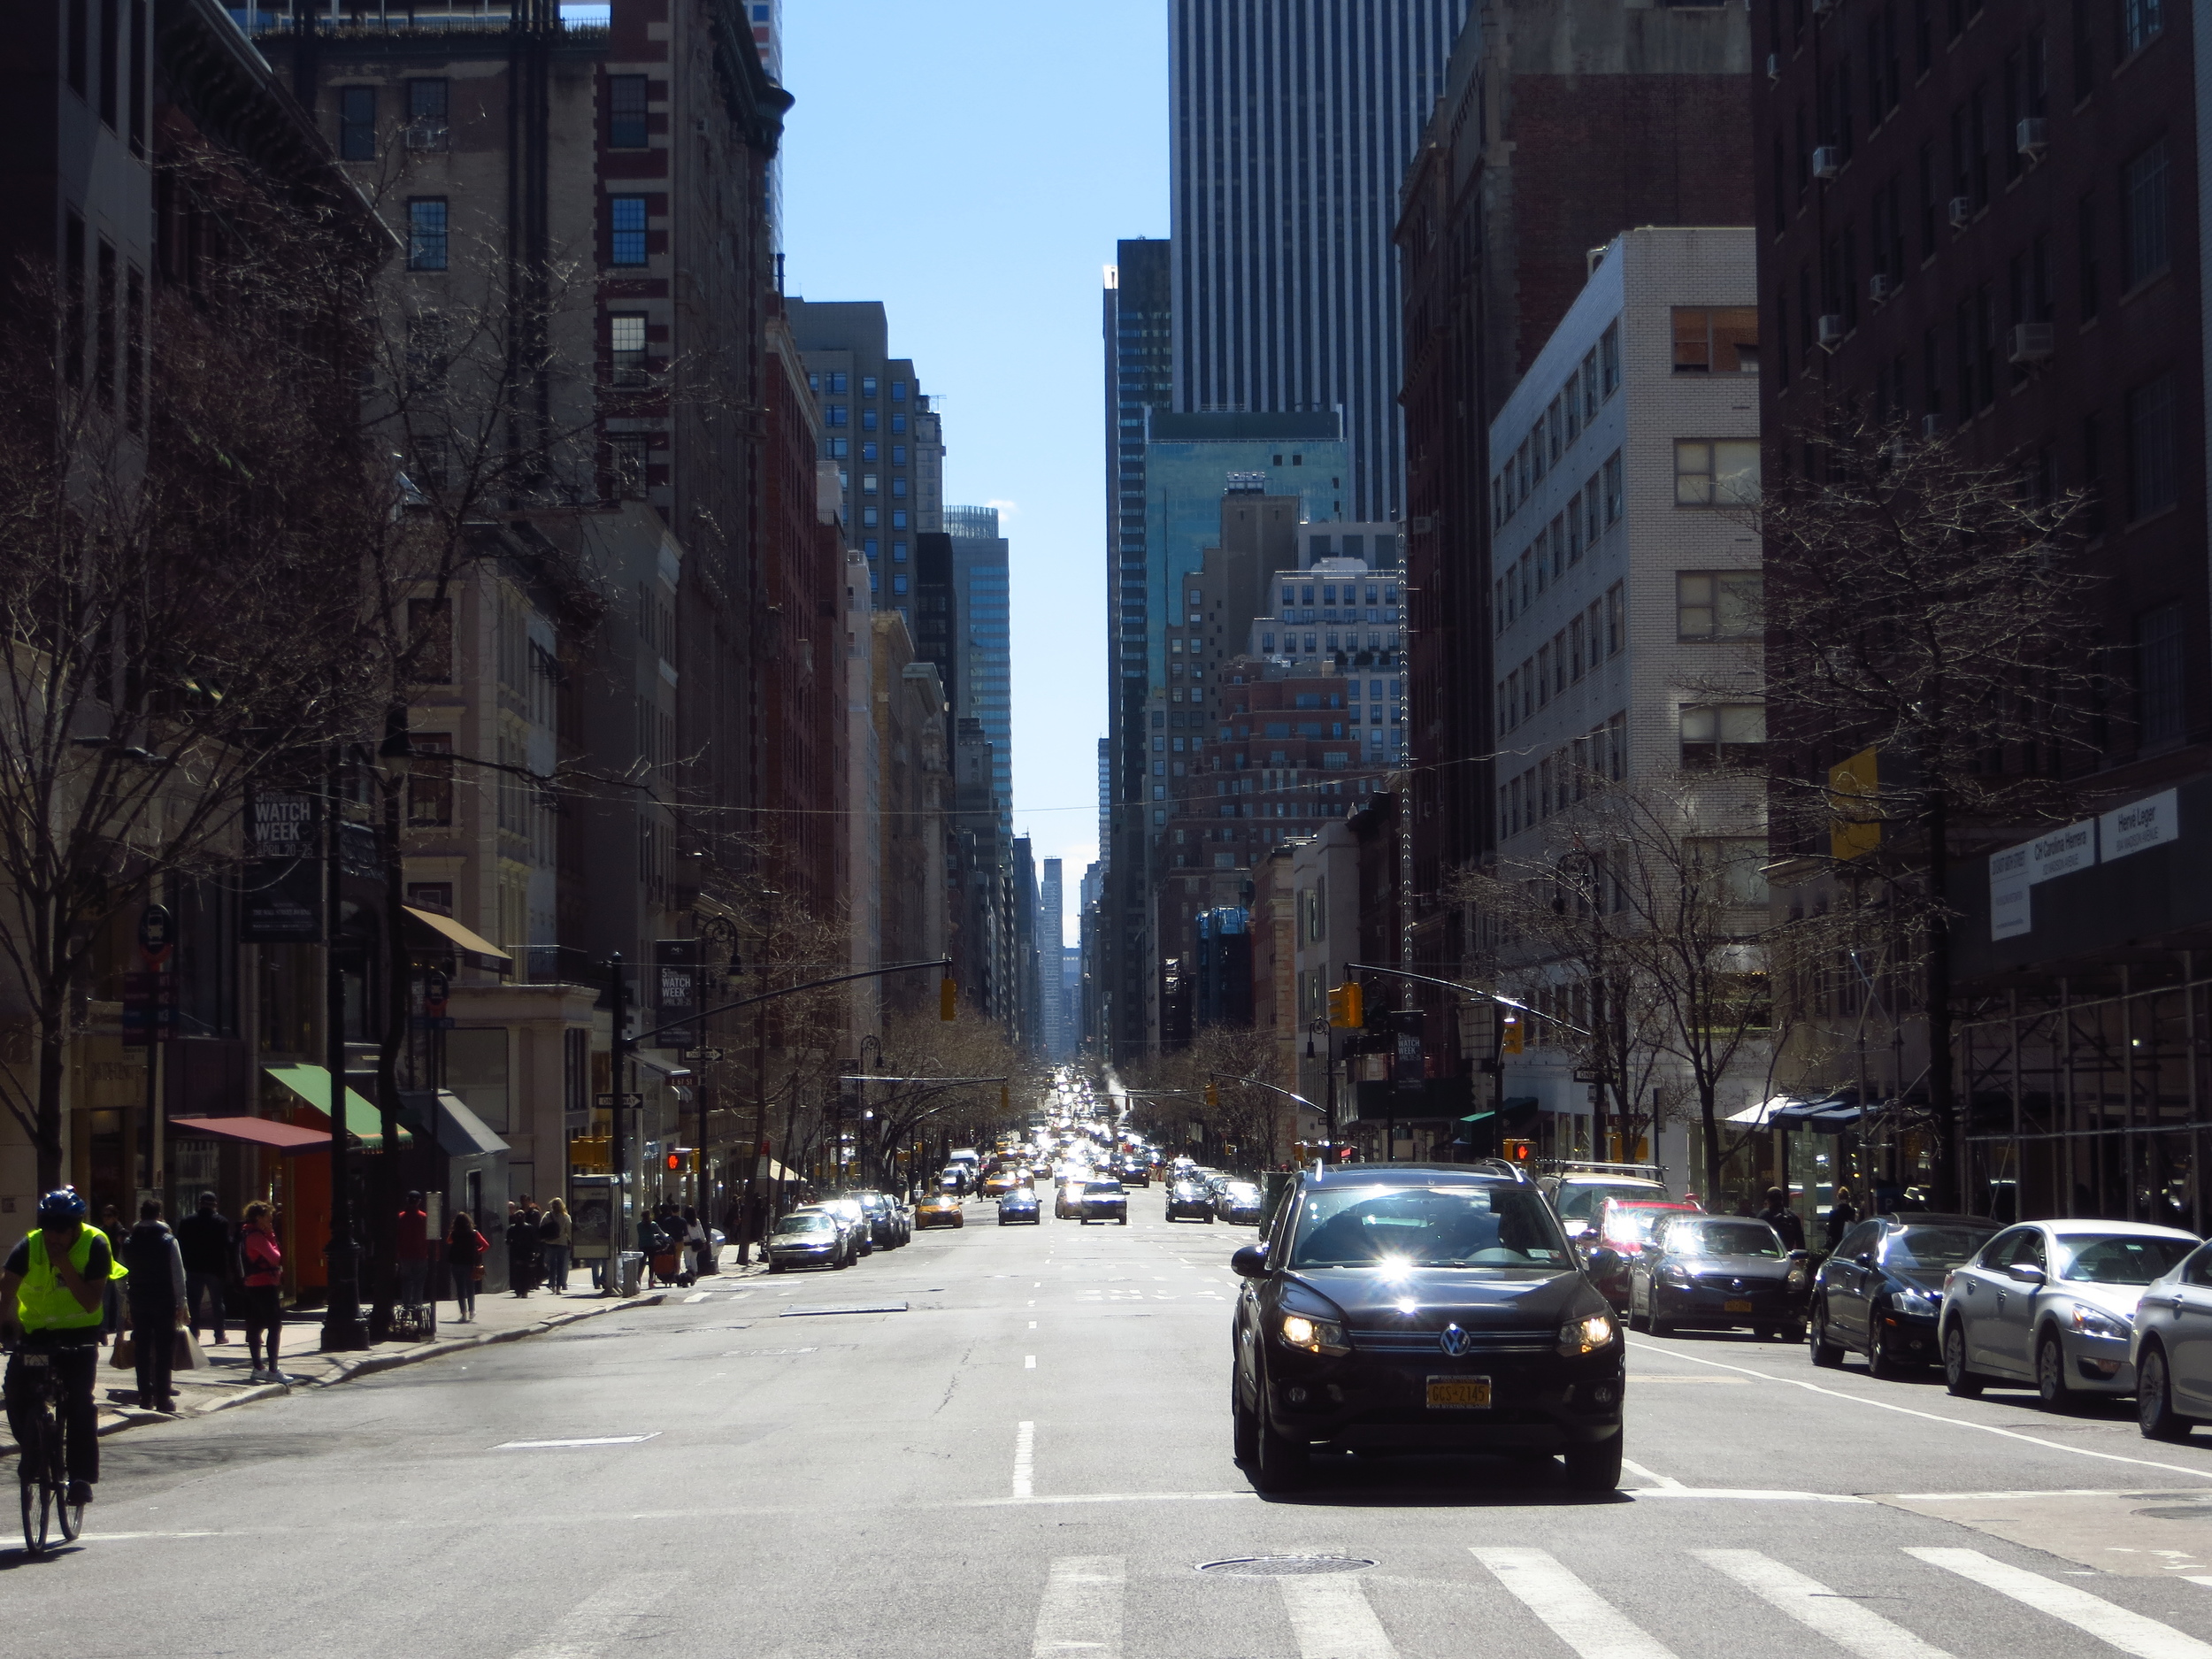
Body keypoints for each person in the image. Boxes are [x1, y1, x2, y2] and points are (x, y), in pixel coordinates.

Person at [1, 1189, 127, 1505]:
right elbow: (6, 1291)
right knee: (15, 1390)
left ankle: (81, 1477)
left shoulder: (95, 1244)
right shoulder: (29, 1246)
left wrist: (64, 1264)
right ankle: (34, 1451)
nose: (54, 1236)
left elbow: (89, 1302)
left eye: (62, 1229)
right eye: (49, 1228)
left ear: (76, 1227)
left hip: (79, 1337)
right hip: (38, 1336)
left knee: (80, 1403)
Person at [119, 1198, 189, 1412]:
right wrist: (182, 1302)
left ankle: (145, 1396)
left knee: (141, 1347)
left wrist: (125, 1297)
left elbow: (120, 1273)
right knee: (163, 1349)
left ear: (141, 1215)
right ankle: (163, 1397)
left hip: (139, 1299)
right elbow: (178, 1274)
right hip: (163, 1298)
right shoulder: (168, 1240)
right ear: (159, 1215)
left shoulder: (129, 1242)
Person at [173, 1192, 234, 1343]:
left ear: (199, 1204)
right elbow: (227, 1245)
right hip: (215, 1268)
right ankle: (219, 1335)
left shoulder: (187, 1221)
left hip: (193, 1267)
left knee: (193, 1303)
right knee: (217, 1302)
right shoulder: (221, 1222)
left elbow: (180, 1243)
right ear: (215, 1205)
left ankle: (194, 1334)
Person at [238, 1202, 286, 1382]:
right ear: (259, 1218)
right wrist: (272, 1235)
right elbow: (275, 1257)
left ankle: (258, 1367)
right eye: (268, 1216)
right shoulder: (257, 1237)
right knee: (274, 1326)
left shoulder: (246, 1233)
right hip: (264, 1285)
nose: (271, 1219)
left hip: (252, 1285)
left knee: (255, 1326)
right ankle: (273, 1369)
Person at [396, 1191, 430, 1317]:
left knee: (406, 1282)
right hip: (421, 1254)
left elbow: (397, 1237)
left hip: (405, 1254)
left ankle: (406, 1308)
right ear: (419, 1201)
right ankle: (417, 1309)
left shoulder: (400, 1217)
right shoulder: (424, 1217)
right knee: (419, 1283)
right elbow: (430, 1237)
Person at [447, 1212, 488, 1321]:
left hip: (456, 1263)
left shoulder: (454, 1233)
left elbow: (448, 1241)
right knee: (470, 1287)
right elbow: (485, 1245)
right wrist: (477, 1251)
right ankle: (472, 1310)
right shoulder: (474, 1233)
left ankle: (463, 1312)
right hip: (470, 1263)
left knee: (460, 1288)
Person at [506, 1195, 542, 1298]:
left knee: (518, 1272)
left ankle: (520, 1290)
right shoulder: (528, 1227)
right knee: (525, 1272)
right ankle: (524, 1290)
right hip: (526, 1252)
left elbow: (508, 1241)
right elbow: (535, 1240)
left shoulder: (512, 1228)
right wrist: (535, 1250)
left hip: (518, 1252)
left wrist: (512, 1244)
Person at [1758, 1187, 1807, 1252]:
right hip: (1786, 1256)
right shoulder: (1792, 1216)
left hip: (1766, 1256)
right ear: (1782, 1199)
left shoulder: (1763, 1215)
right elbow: (1800, 1242)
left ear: (1768, 1201)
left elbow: (1756, 1239)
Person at [541, 1198, 572, 1293]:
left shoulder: (547, 1215)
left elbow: (541, 1227)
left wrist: (543, 1239)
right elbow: (569, 1231)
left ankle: (552, 1285)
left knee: (552, 1265)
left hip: (550, 1243)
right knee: (561, 1266)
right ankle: (559, 1287)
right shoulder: (566, 1217)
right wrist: (570, 1241)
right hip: (562, 1243)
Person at [1824, 1186, 1860, 1253]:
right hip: (1849, 1241)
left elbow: (1831, 1231)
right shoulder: (1852, 1211)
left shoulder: (1833, 1213)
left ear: (1838, 1198)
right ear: (1848, 1198)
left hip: (1837, 1241)